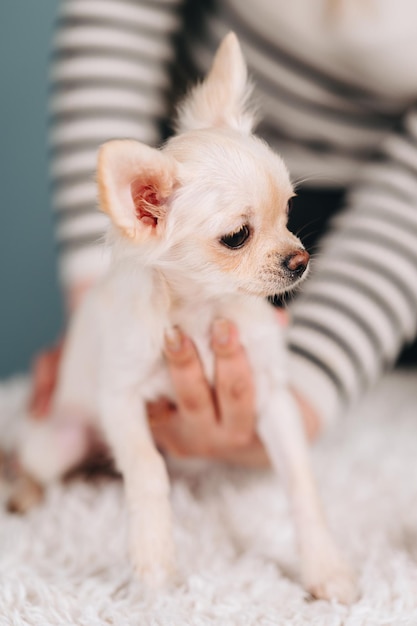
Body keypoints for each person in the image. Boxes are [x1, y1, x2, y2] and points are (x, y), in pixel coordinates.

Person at [30, 0, 417, 465]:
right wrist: (103, 301)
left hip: (379, 244)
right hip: (186, 194)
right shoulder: (156, 198)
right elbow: (119, 15)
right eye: (237, 235)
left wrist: (305, 390)